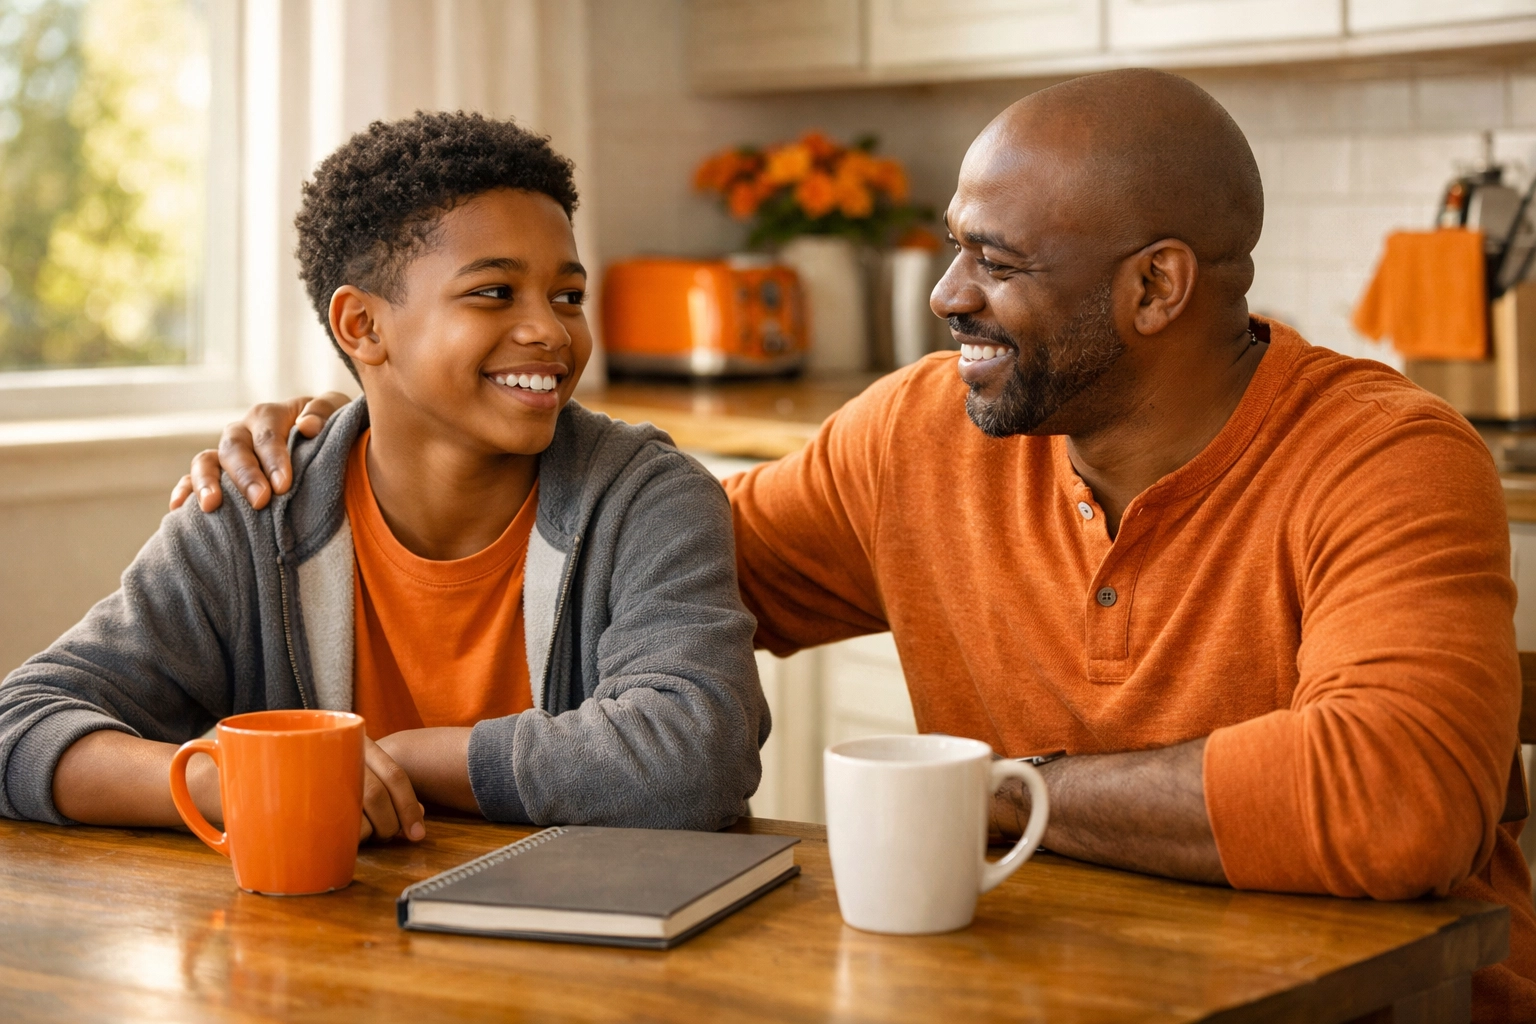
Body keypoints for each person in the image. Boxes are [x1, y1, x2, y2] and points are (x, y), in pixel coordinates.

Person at [175, 72, 1535, 1018]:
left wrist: (1003, 794)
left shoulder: (1388, 457)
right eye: (949, 250)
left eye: (992, 263)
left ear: (1157, 289)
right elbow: (645, 577)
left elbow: (1395, 798)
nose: (946, 297)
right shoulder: (915, 436)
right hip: (1040, 989)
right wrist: (383, 428)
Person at [0, 111, 767, 844]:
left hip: (582, 965)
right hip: (311, 953)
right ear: (362, 327)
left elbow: (694, 757)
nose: (550, 329)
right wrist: (228, 780)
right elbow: (18, 728)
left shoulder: (646, 500)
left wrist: (388, 760)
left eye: (567, 296)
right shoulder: (257, 511)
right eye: (494, 293)